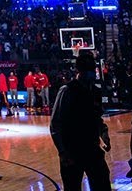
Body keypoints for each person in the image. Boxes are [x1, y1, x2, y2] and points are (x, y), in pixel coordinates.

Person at [49, 51, 111, 191]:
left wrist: (104, 133)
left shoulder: (95, 91)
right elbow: (55, 124)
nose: (92, 73)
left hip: (92, 147)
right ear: (80, 70)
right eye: (89, 70)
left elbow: (97, 118)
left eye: (92, 69)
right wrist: (62, 152)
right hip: (72, 151)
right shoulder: (67, 91)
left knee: (103, 183)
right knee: (72, 187)